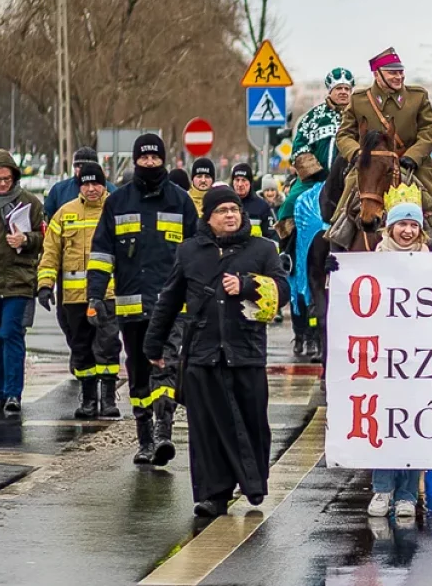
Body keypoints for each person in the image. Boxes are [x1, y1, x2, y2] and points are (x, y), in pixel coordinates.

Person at [143, 185, 289, 517]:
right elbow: (168, 300)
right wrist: (154, 345)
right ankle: (213, 494)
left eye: (234, 210)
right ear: (208, 218)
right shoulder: (189, 252)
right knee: (206, 430)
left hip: (246, 353)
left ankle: (252, 482)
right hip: (202, 354)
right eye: (221, 211)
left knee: (252, 424)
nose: (229, 216)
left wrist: (248, 286)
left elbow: (283, 291)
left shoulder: (263, 249)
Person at [87, 134, 198, 465]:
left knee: (167, 366)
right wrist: (94, 295)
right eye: (144, 158)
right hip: (131, 307)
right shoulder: (117, 203)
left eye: (155, 158)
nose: (150, 163)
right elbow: (101, 254)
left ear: (164, 160)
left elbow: (198, 251)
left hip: (172, 307)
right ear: (135, 160)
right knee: (137, 373)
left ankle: (164, 432)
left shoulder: (181, 202)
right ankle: (145, 439)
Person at [334, 49, 432, 246]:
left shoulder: (417, 97)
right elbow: (344, 134)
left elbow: (430, 130)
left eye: (400, 72)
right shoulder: (359, 100)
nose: (398, 76)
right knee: (342, 209)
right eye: (392, 72)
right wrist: (357, 153)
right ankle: (336, 254)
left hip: (410, 163)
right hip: (370, 163)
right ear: (377, 74)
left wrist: (413, 156)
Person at [36, 163, 123, 419]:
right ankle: (88, 399)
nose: (92, 188)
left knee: (108, 346)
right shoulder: (65, 213)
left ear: (104, 184)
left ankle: (108, 399)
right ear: (79, 186)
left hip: (109, 294)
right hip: (74, 297)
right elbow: (50, 253)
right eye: (86, 184)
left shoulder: (117, 211)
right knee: (81, 347)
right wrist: (44, 285)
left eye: (96, 183)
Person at [364, 184, 429, 518]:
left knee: (415, 421)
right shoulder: (371, 262)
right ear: (389, 227)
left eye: (413, 225)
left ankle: (407, 493)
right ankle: (382, 489)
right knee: (387, 421)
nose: (407, 230)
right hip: (385, 356)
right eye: (401, 224)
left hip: (421, 358)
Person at [0, 149, 44, 414]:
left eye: (7, 178)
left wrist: (26, 240)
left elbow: (43, 238)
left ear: (14, 176)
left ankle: (13, 393)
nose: (2, 184)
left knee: (10, 333)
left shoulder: (30, 202)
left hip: (18, 278)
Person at [279, 67, 353, 236]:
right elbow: (299, 147)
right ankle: (286, 253)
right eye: (339, 88)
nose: (343, 92)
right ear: (330, 90)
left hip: (352, 181)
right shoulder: (313, 117)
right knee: (290, 203)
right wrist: (315, 173)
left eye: (347, 89)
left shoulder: (360, 116)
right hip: (315, 181)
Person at [44, 146, 117, 221]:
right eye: (78, 166)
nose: (83, 169)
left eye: (88, 166)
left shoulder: (112, 191)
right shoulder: (59, 190)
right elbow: (48, 220)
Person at [231, 163, 275, 241]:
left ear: (250, 182)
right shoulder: (225, 204)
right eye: (237, 180)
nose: (240, 184)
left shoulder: (262, 206)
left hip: (256, 252)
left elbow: (272, 238)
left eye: (244, 180)